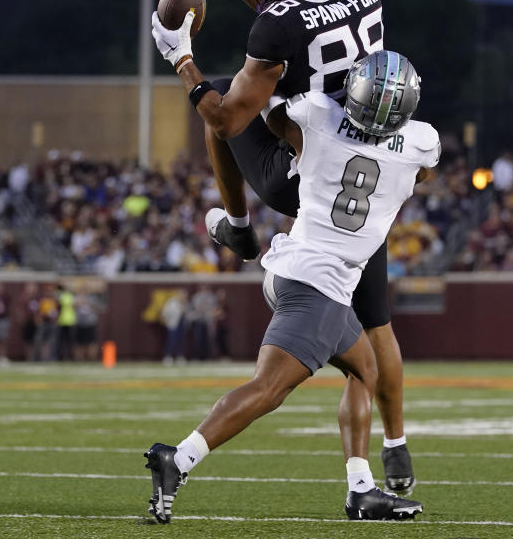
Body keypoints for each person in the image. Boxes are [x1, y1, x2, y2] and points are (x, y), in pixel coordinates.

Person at [156, 0, 415, 495]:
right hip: (367, 176)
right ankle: (395, 448)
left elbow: (226, 117)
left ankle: (240, 227)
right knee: (378, 333)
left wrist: (180, 58)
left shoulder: (279, 23)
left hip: (304, 172)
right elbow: (296, 10)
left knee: (220, 95)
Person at [143, 50, 438, 522]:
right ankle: (177, 459)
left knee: (365, 369)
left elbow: (258, 109)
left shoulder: (316, 117)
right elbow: (422, 171)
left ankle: (361, 489)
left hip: (303, 274)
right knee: (268, 390)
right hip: (318, 284)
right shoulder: (422, 144)